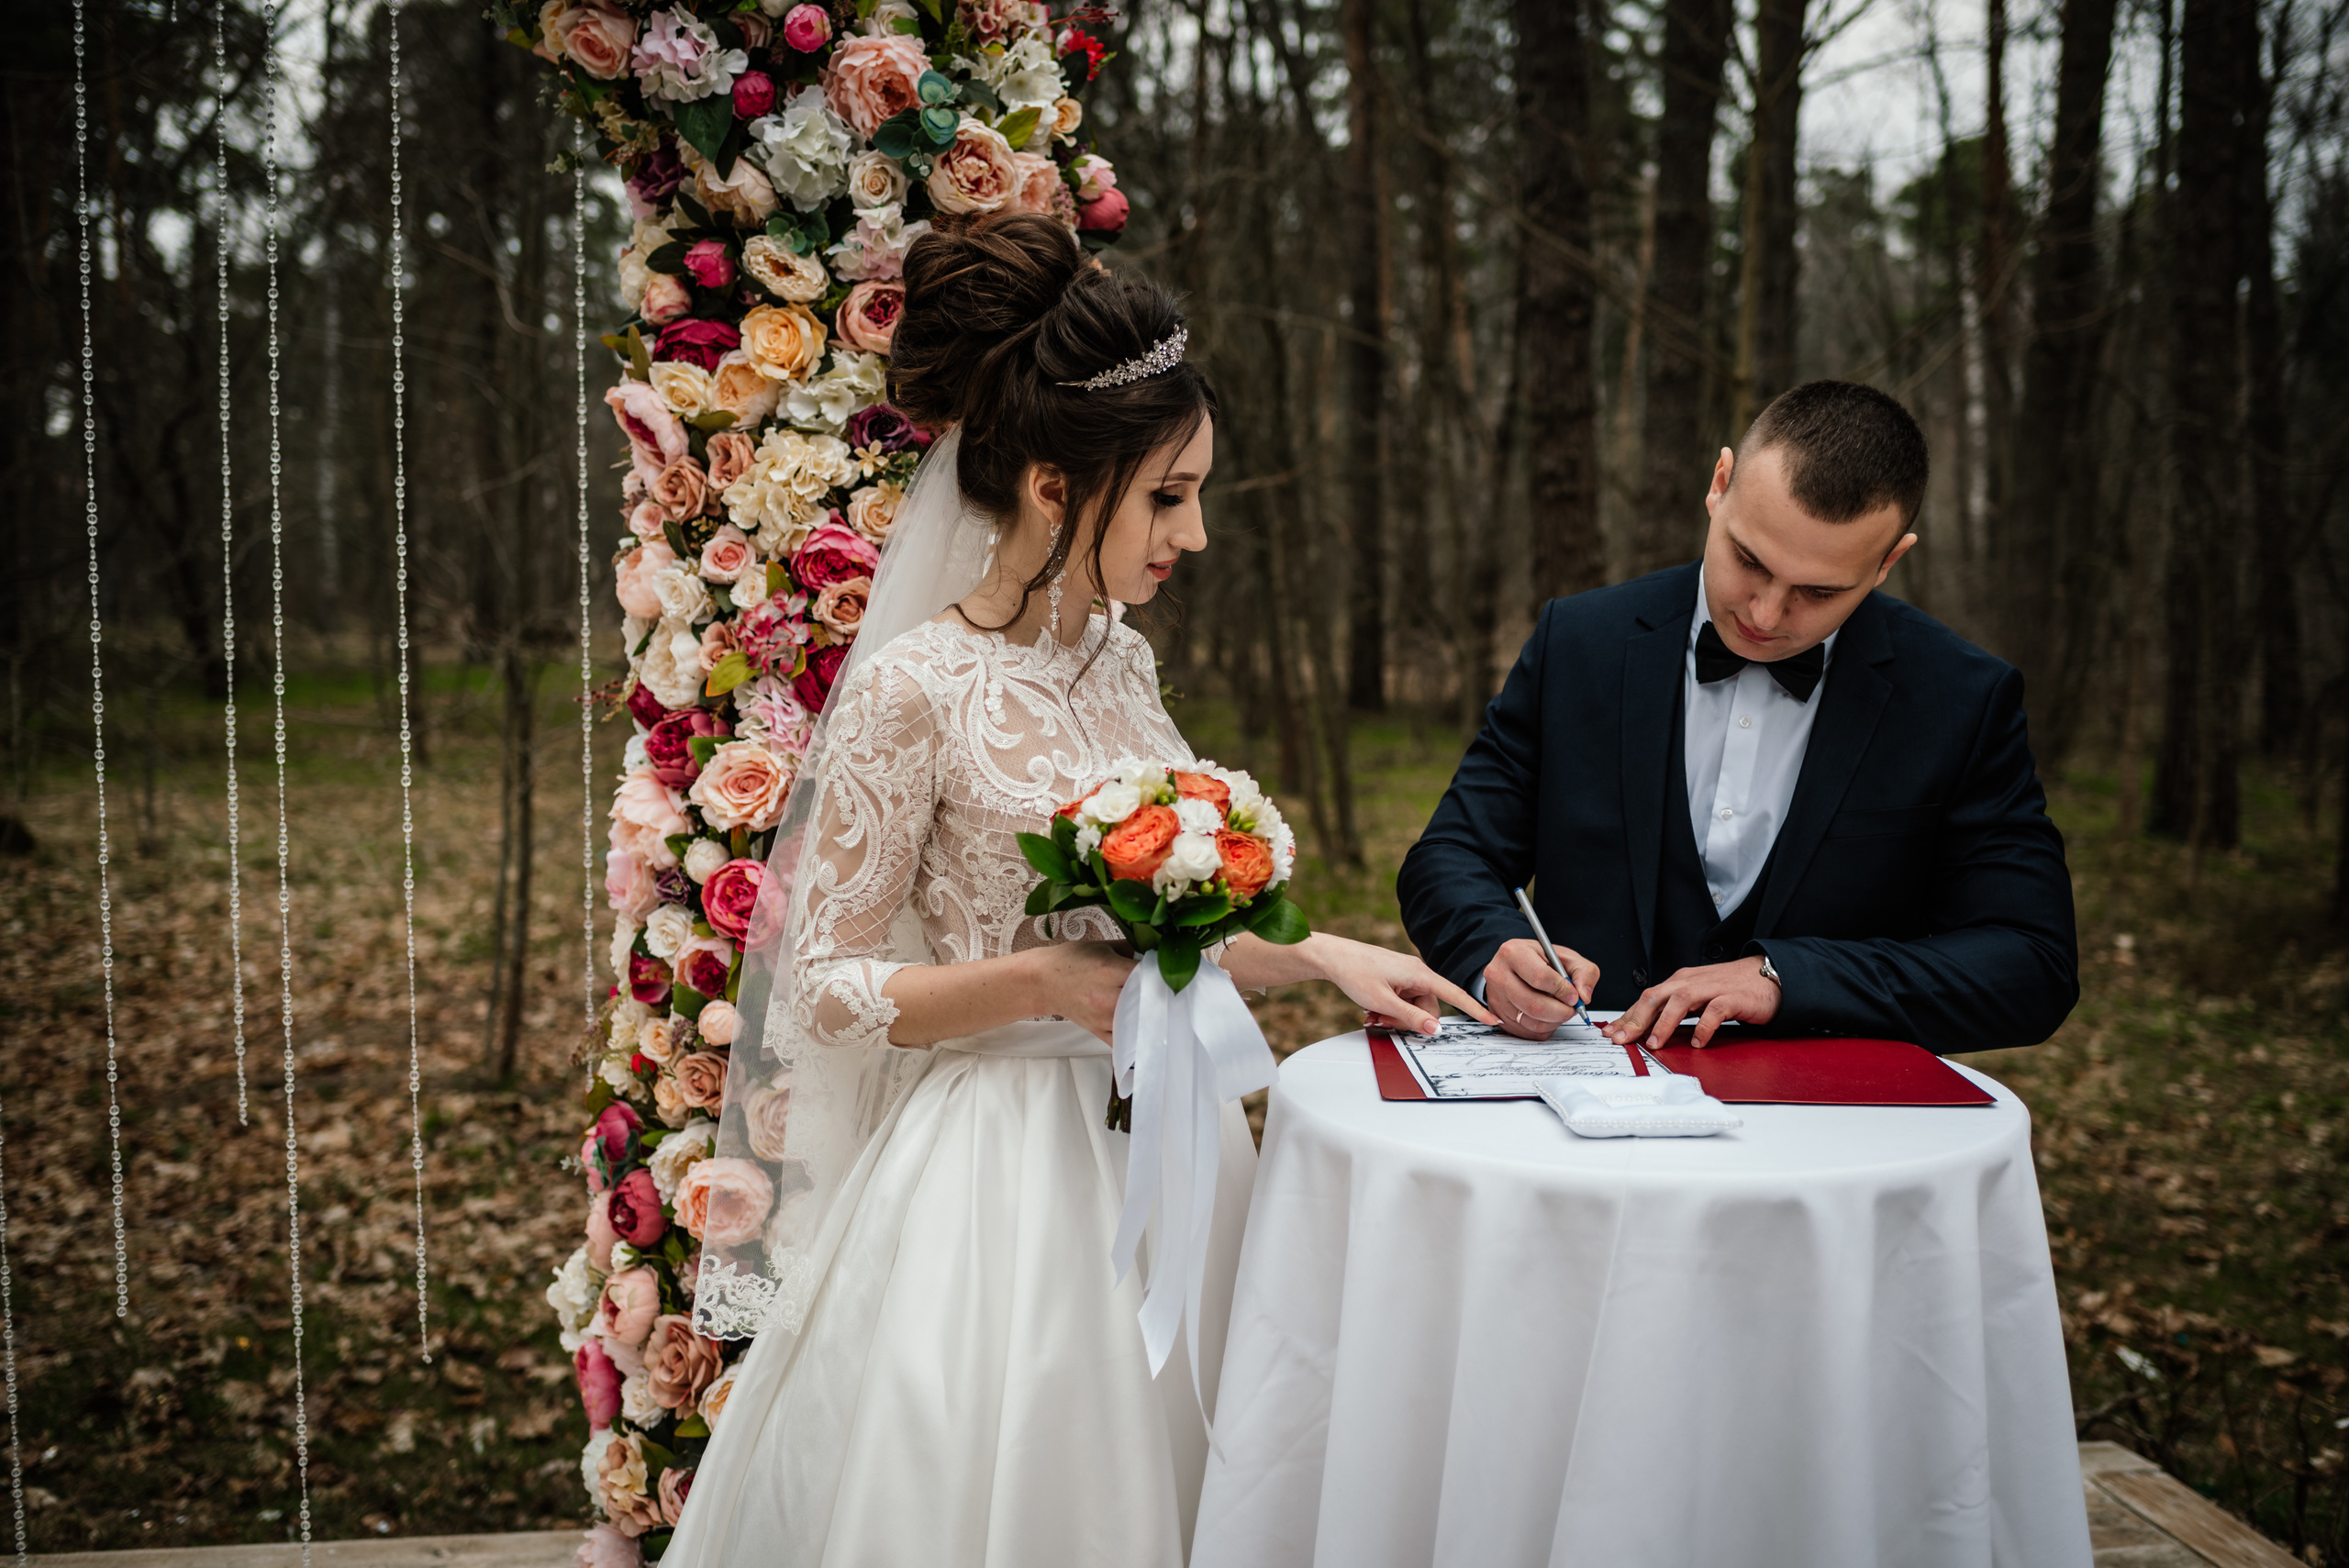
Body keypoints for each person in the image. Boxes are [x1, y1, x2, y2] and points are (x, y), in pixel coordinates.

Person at [662, 212, 1489, 1568]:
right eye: (1168, 497)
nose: (1195, 533)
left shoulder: (1123, 661)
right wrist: (1042, 984)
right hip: (997, 1180)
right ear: (1054, 485)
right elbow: (824, 984)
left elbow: (1167, 933)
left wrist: (1327, 955)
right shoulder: (916, 686)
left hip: (1170, 1143)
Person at [1397, 380, 2077, 1056]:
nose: (1765, 614)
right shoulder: (1578, 643)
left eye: (1818, 592)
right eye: (1749, 560)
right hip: (1581, 1095)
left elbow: (2032, 962)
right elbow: (1451, 856)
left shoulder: (1961, 698)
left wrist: (1789, 978)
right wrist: (1493, 950)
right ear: (1719, 484)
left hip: (1825, 1116)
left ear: (1887, 562)